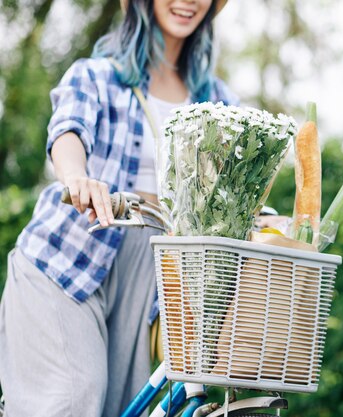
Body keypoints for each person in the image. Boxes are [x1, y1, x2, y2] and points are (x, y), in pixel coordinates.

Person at [0, 0, 238, 415]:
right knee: (73, 398)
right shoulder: (97, 75)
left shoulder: (218, 100)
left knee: (124, 407)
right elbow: (68, 131)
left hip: (149, 274)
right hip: (67, 253)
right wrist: (77, 178)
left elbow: (235, 189)